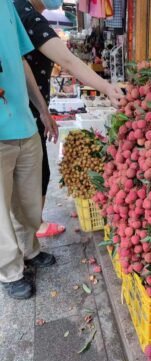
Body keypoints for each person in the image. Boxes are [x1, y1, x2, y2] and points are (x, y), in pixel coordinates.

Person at [14, 0, 124, 238]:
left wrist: (44, 111)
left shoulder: (21, 13)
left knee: (33, 179)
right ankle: (26, 245)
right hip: (19, 120)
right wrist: (106, 87)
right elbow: (68, 61)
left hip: (29, 115)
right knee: (26, 184)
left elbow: (26, 68)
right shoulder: (23, 14)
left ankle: (31, 241)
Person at [0, 0, 58, 300]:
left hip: (24, 124)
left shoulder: (8, 7)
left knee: (28, 200)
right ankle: (9, 271)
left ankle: (30, 250)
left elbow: (22, 61)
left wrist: (43, 111)